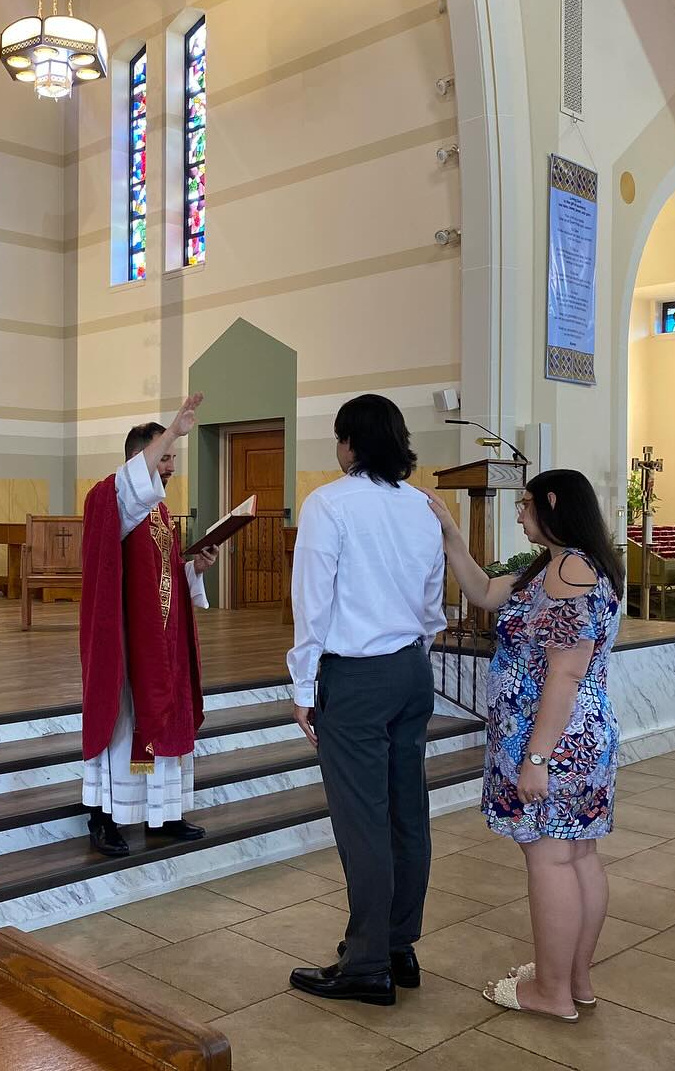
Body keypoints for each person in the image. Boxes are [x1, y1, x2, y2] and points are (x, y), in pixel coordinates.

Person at [424, 469, 623, 1023]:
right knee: (576, 854)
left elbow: (563, 675)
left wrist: (536, 758)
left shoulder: (569, 571)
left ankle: (551, 992)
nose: (518, 514)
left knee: (552, 860)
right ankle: (574, 980)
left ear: (553, 502)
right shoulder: (564, 563)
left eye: (526, 504)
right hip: (577, 738)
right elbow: (487, 593)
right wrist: (453, 539)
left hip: (554, 741)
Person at [287, 394, 446, 1007]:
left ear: (350, 443)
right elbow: (433, 603)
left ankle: (367, 962)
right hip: (411, 671)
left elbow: (313, 604)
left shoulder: (329, 503)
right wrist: (413, 652)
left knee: (362, 820)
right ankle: (399, 944)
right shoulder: (421, 508)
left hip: (355, 677)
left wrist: (304, 687)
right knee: (407, 810)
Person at [80, 394, 220, 857]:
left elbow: (160, 578)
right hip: (126, 644)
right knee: (123, 725)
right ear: (137, 461)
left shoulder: (158, 513)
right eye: (165, 457)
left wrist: (193, 569)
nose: (171, 467)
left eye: (174, 459)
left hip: (161, 642)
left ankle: (163, 815)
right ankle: (105, 816)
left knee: (164, 721)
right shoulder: (110, 499)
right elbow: (127, 496)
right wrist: (174, 429)